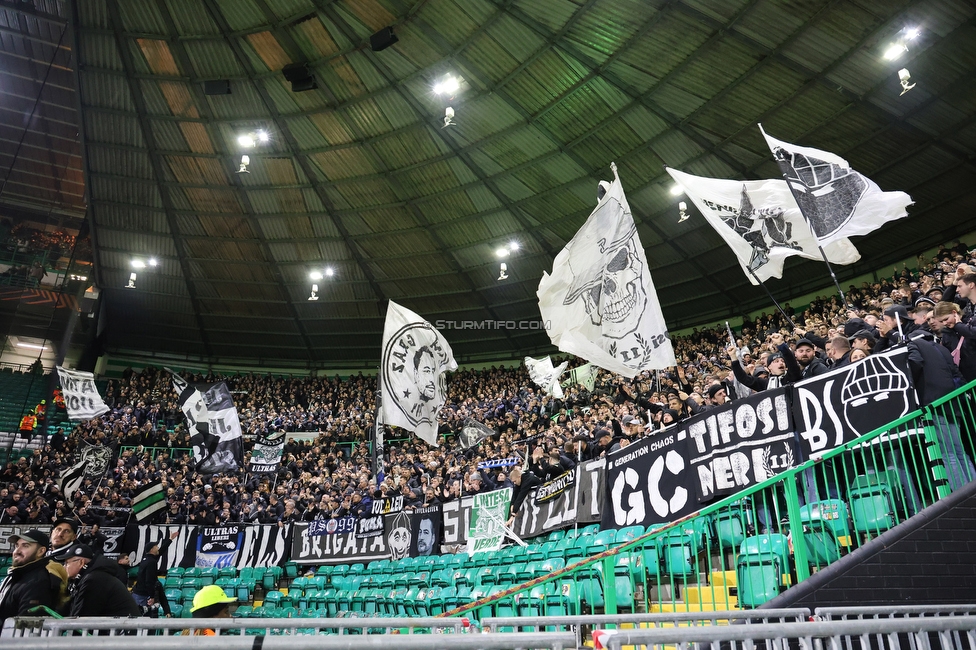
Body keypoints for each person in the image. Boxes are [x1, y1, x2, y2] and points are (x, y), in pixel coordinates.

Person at [58, 542, 140, 617]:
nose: (64, 567)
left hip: (122, 630)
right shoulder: (89, 577)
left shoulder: (93, 580)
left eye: (66, 563)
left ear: (81, 562)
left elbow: (82, 617)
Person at [0, 530, 65, 624]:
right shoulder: (19, 574)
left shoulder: (38, 581)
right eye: (17, 545)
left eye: (25, 546)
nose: (17, 551)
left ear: (41, 551)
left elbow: (25, 628)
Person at [131, 531, 178, 608]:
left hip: (137, 592)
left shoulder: (146, 558)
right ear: (152, 549)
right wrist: (152, 596)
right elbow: (149, 580)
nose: (158, 547)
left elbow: (161, 550)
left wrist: (170, 539)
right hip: (142, 595)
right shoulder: (151, 562)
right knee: (142, 617)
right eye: (156, 546)